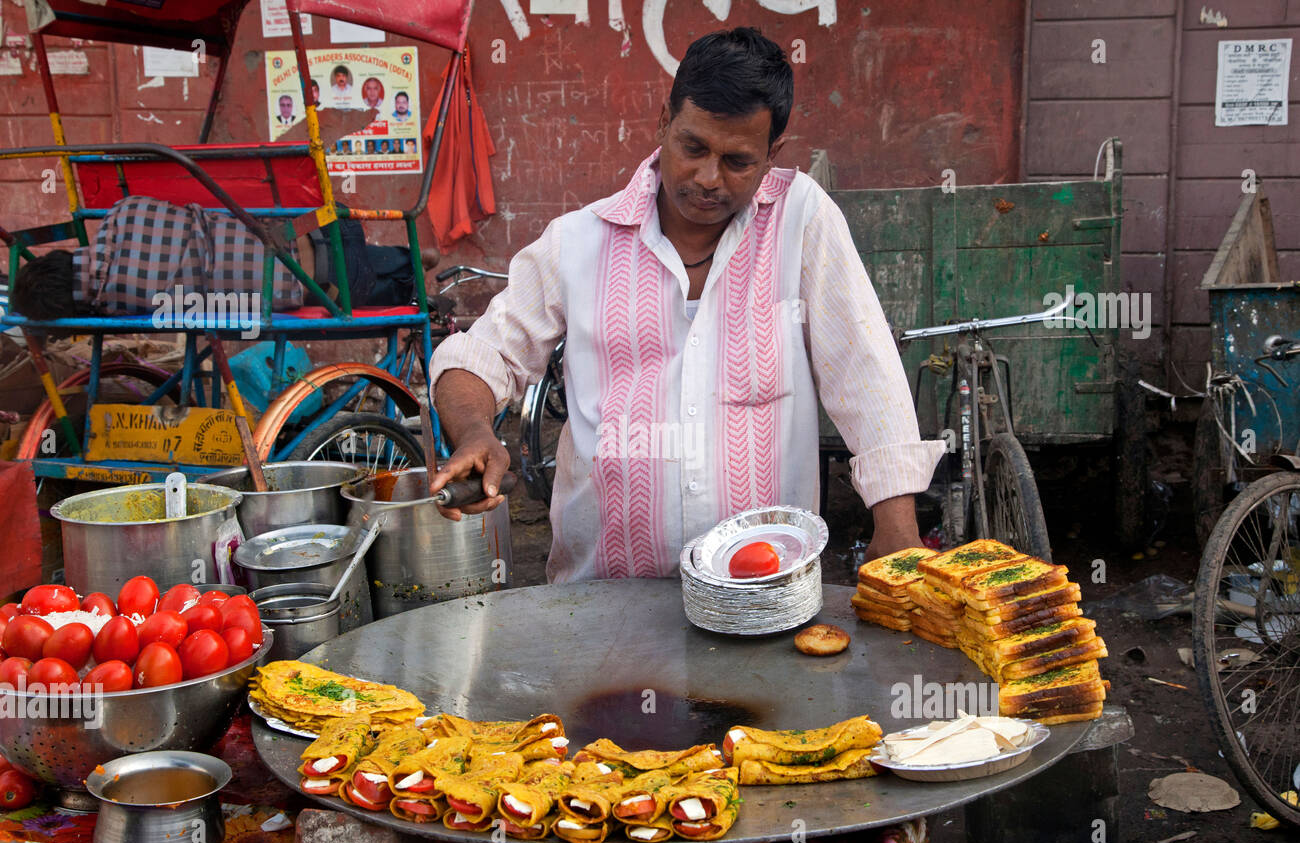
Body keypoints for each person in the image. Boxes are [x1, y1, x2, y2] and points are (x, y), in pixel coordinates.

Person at [429, 28, 944, 583]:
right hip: (604, 599)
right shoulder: (576, 242)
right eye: (692, 147)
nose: (707, 178)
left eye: (737, 161)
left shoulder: (802, 221)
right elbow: (480, 358)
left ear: (773, 155)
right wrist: (475, 431)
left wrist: (896, 526)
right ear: (663, 123)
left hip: (766, 596)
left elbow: (864, 369)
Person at [9, 196, 426, 320]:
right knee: (399, 271)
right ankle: (418, 260)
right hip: (319, 229)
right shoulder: (122, 212)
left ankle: (415, 268)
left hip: (329, 285)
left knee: (395, 287)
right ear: (60, 258)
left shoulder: (118, 305)